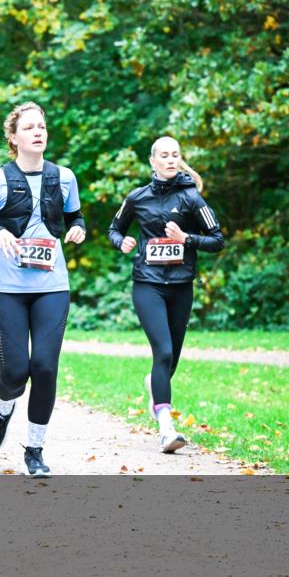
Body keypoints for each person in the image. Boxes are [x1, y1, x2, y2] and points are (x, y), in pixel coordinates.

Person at [0, 102, 86, 477]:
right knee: (16, 372)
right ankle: (3, 411)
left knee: (45, 367)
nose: (39, 132)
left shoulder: (63, 177)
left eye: (43, 126)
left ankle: (34, 449)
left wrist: (79, 228)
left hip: (52, 285)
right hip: (6, 287)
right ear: (14, 138)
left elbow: (75, 216)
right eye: (30, 127)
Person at [107, 136, 224, 453]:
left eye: (175, 155)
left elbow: (217, 240)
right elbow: (114, 229)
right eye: (164, 155)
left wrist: (186, 238)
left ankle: (154, 386)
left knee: (170, 358)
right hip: (148, 283)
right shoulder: (137, 197)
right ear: (153, 161)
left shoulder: (191, 199)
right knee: (163, 352)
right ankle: (166, 428)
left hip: (181, 285)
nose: (171, 160)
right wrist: (122, 242)